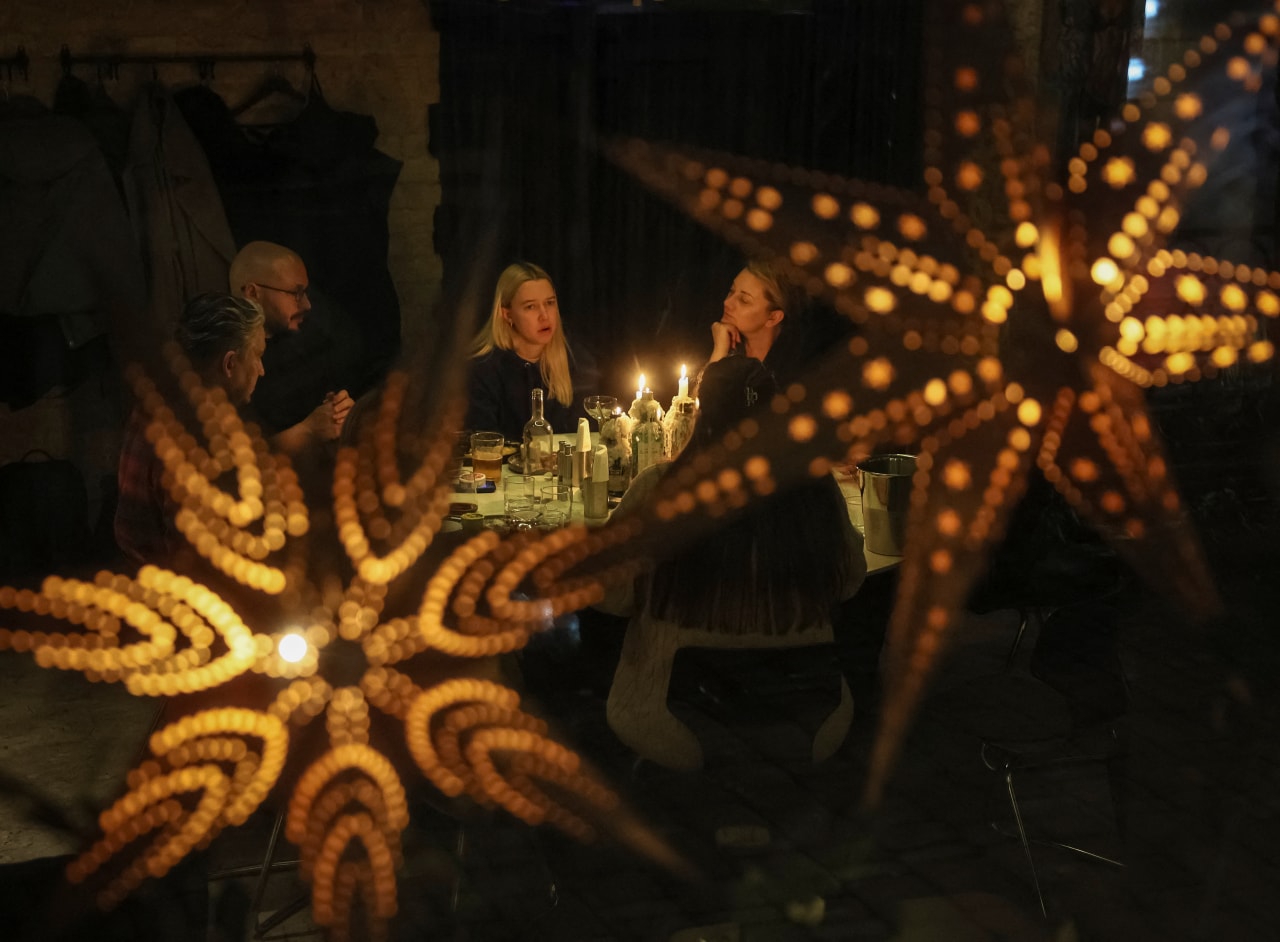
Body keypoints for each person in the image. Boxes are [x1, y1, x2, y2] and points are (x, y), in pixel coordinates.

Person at [598, 356, 867, 767]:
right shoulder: (815, 489)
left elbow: (609, 596)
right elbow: (850, 580)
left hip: (672, 718)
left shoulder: (659, 490)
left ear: (699, 416)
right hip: (809, 716)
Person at [114, 293, 266, 564]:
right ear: (230, 364)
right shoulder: (199, 442)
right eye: (257, 356)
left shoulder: (157, 403)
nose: (262, 370)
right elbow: (197, 560)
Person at [229, 241, 354, 453]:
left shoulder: (306, 342)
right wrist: (306, 431)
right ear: (252, 293)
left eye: (305, 292)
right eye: (296, 294)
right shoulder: (227, 360)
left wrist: (341, 413)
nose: (307, 305)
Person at [466, 261, 597, 442]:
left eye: (550, 303)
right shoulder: (483, 369)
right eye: (531, 306)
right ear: (507, 314)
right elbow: (483, 442)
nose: (544, 315)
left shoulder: (576, 358)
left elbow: (588, 435)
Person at [706, 258, 853, 385]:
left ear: (773, 317)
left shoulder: (794, 371)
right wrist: (719, 350)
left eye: (744, 300)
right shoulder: (728, 346)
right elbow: (693, 411)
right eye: (732, 291)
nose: (727, 302)